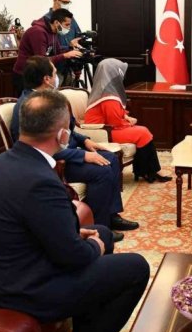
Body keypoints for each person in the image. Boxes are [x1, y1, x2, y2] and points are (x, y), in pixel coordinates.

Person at [0, 89, 149, 332]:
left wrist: (78, 234)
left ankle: (86, 324)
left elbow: (29, 223)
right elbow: (72, 256)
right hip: (26, 289)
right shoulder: (41, 181)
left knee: (102, 231)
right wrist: (94, 246)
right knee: (136, 267)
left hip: (9, 271)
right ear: (62, 135)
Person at [11, 56, 138, 241]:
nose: (57, 77)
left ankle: (111, 215)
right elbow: (40, 148)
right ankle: (99, 225)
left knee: (110, 158)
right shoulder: (31, 107)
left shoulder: (48, 99)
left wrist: (85, 141)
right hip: (56, 163)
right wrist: (82, 156)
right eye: (55, 73)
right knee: (101, 171)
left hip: (69, 152)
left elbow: (69, 130)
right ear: (46, 79)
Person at [85, 58, 172, 183]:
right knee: (143, 133)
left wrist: (126, 117)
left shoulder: (104, 91)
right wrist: (129, 122)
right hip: (103, 132)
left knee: (142, 132)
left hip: (106, 129)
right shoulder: (108, 96)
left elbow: (114, 114)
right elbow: (115, 122)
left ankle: (148, 170)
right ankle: (151, 170)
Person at [12, 8, 82, 96]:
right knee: (30, 103)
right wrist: (65, 55)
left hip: (37, 73)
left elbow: (58, 51)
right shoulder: (38, 32)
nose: (69, 28)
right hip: (25, 75)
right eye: (67, 25)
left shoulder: (53, 32)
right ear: (56, 23)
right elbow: (41, 61)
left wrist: (71, 48)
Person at [46, 0, 82, 87]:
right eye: (65, 2)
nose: (67, 5)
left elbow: (78, 35)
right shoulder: (48, 20)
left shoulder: (70, 18)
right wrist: (67, 49)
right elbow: (49, 49)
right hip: (55, 69)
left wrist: (77, 44)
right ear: (56, 1)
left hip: (70, 68)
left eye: (69, 2)